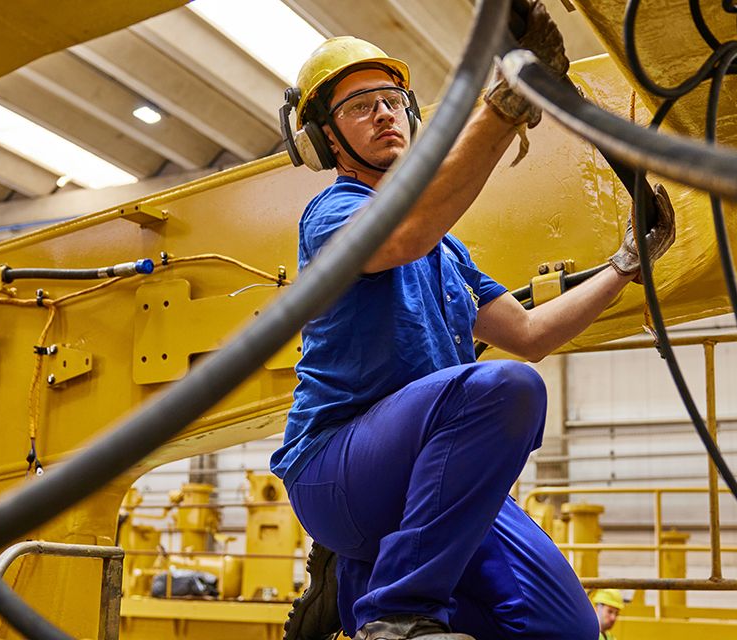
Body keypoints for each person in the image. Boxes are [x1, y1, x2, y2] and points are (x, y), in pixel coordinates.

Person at [272, 2, 676, 639]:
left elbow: (531, 336)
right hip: (338, 470)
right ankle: (393, 613)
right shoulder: (332, 214)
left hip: (429, 472)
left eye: (389, 99)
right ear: (325, 141)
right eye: (356, 106)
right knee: (504, 390)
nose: (380, 111)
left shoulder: (448, 252)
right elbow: (402, 233)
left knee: (568, 630)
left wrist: (628, 263)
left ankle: (359, 585)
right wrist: (508, 102)